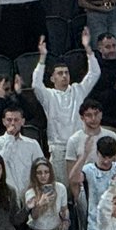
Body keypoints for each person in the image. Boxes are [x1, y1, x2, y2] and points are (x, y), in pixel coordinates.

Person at [32, 31, 100, 182]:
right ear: (52, 78)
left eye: (66, 73)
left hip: (79, 145)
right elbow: (36, 84)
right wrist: (42, 58)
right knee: (63, 186)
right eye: (60, 73)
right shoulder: (48, 95)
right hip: (59, 148)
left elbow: (95, 73)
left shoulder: (78, 90)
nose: (64, 76)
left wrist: (88, 49)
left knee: (81, 186)